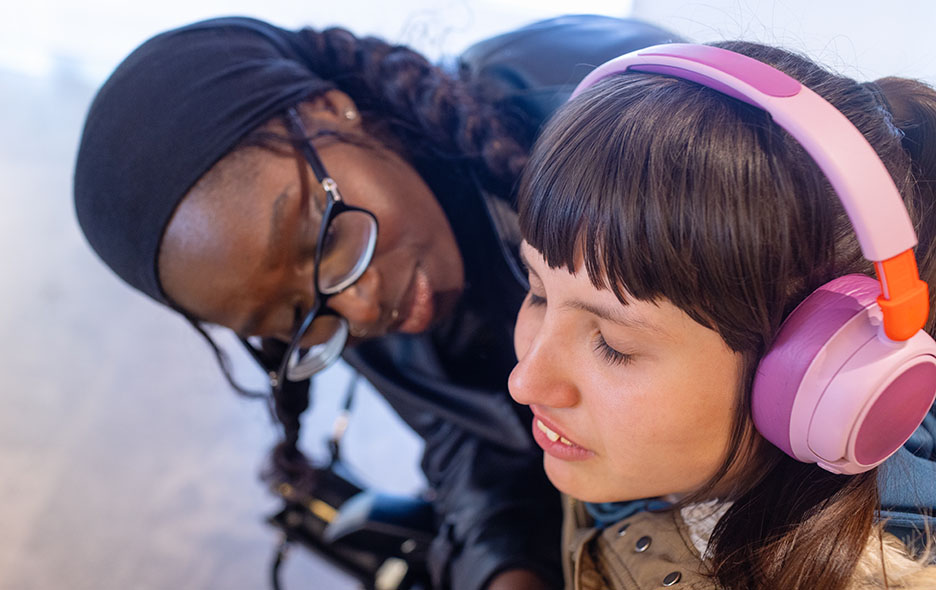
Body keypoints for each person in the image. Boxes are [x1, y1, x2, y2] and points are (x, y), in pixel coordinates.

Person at [71, 13, 682, 590]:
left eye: (325, 238)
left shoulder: (605, 117)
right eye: (289, 316)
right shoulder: (333, 306)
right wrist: (505, 569)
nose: (362, 310)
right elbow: (467, 431)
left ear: (330, 108)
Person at [508, 40, 936, 589]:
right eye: (538, 293)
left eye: (614, 344)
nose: (526, 382)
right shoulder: (654, 471)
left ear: (810, 377)